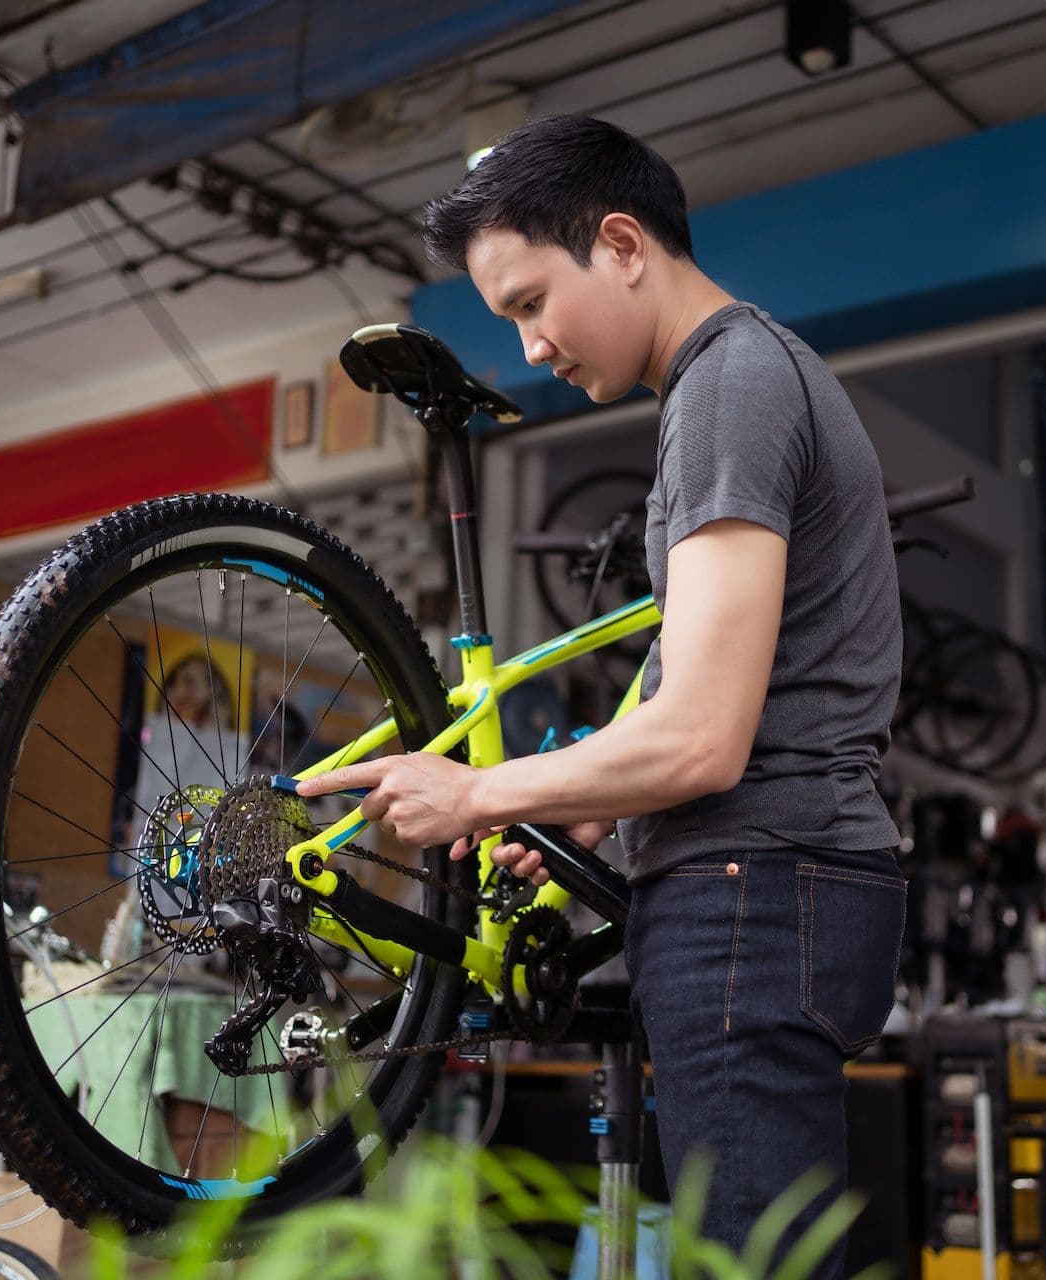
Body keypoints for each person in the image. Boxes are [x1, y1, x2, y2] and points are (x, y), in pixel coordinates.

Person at [298, 114, 906, 1276]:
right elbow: (704, 696)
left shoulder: (731, 384)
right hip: (772, 888)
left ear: (622, 244)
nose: (529, 347)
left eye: (531, 302)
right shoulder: (733, 382)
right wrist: (592, 801)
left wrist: (479, 790)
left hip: (754, 894)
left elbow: (704, 739)